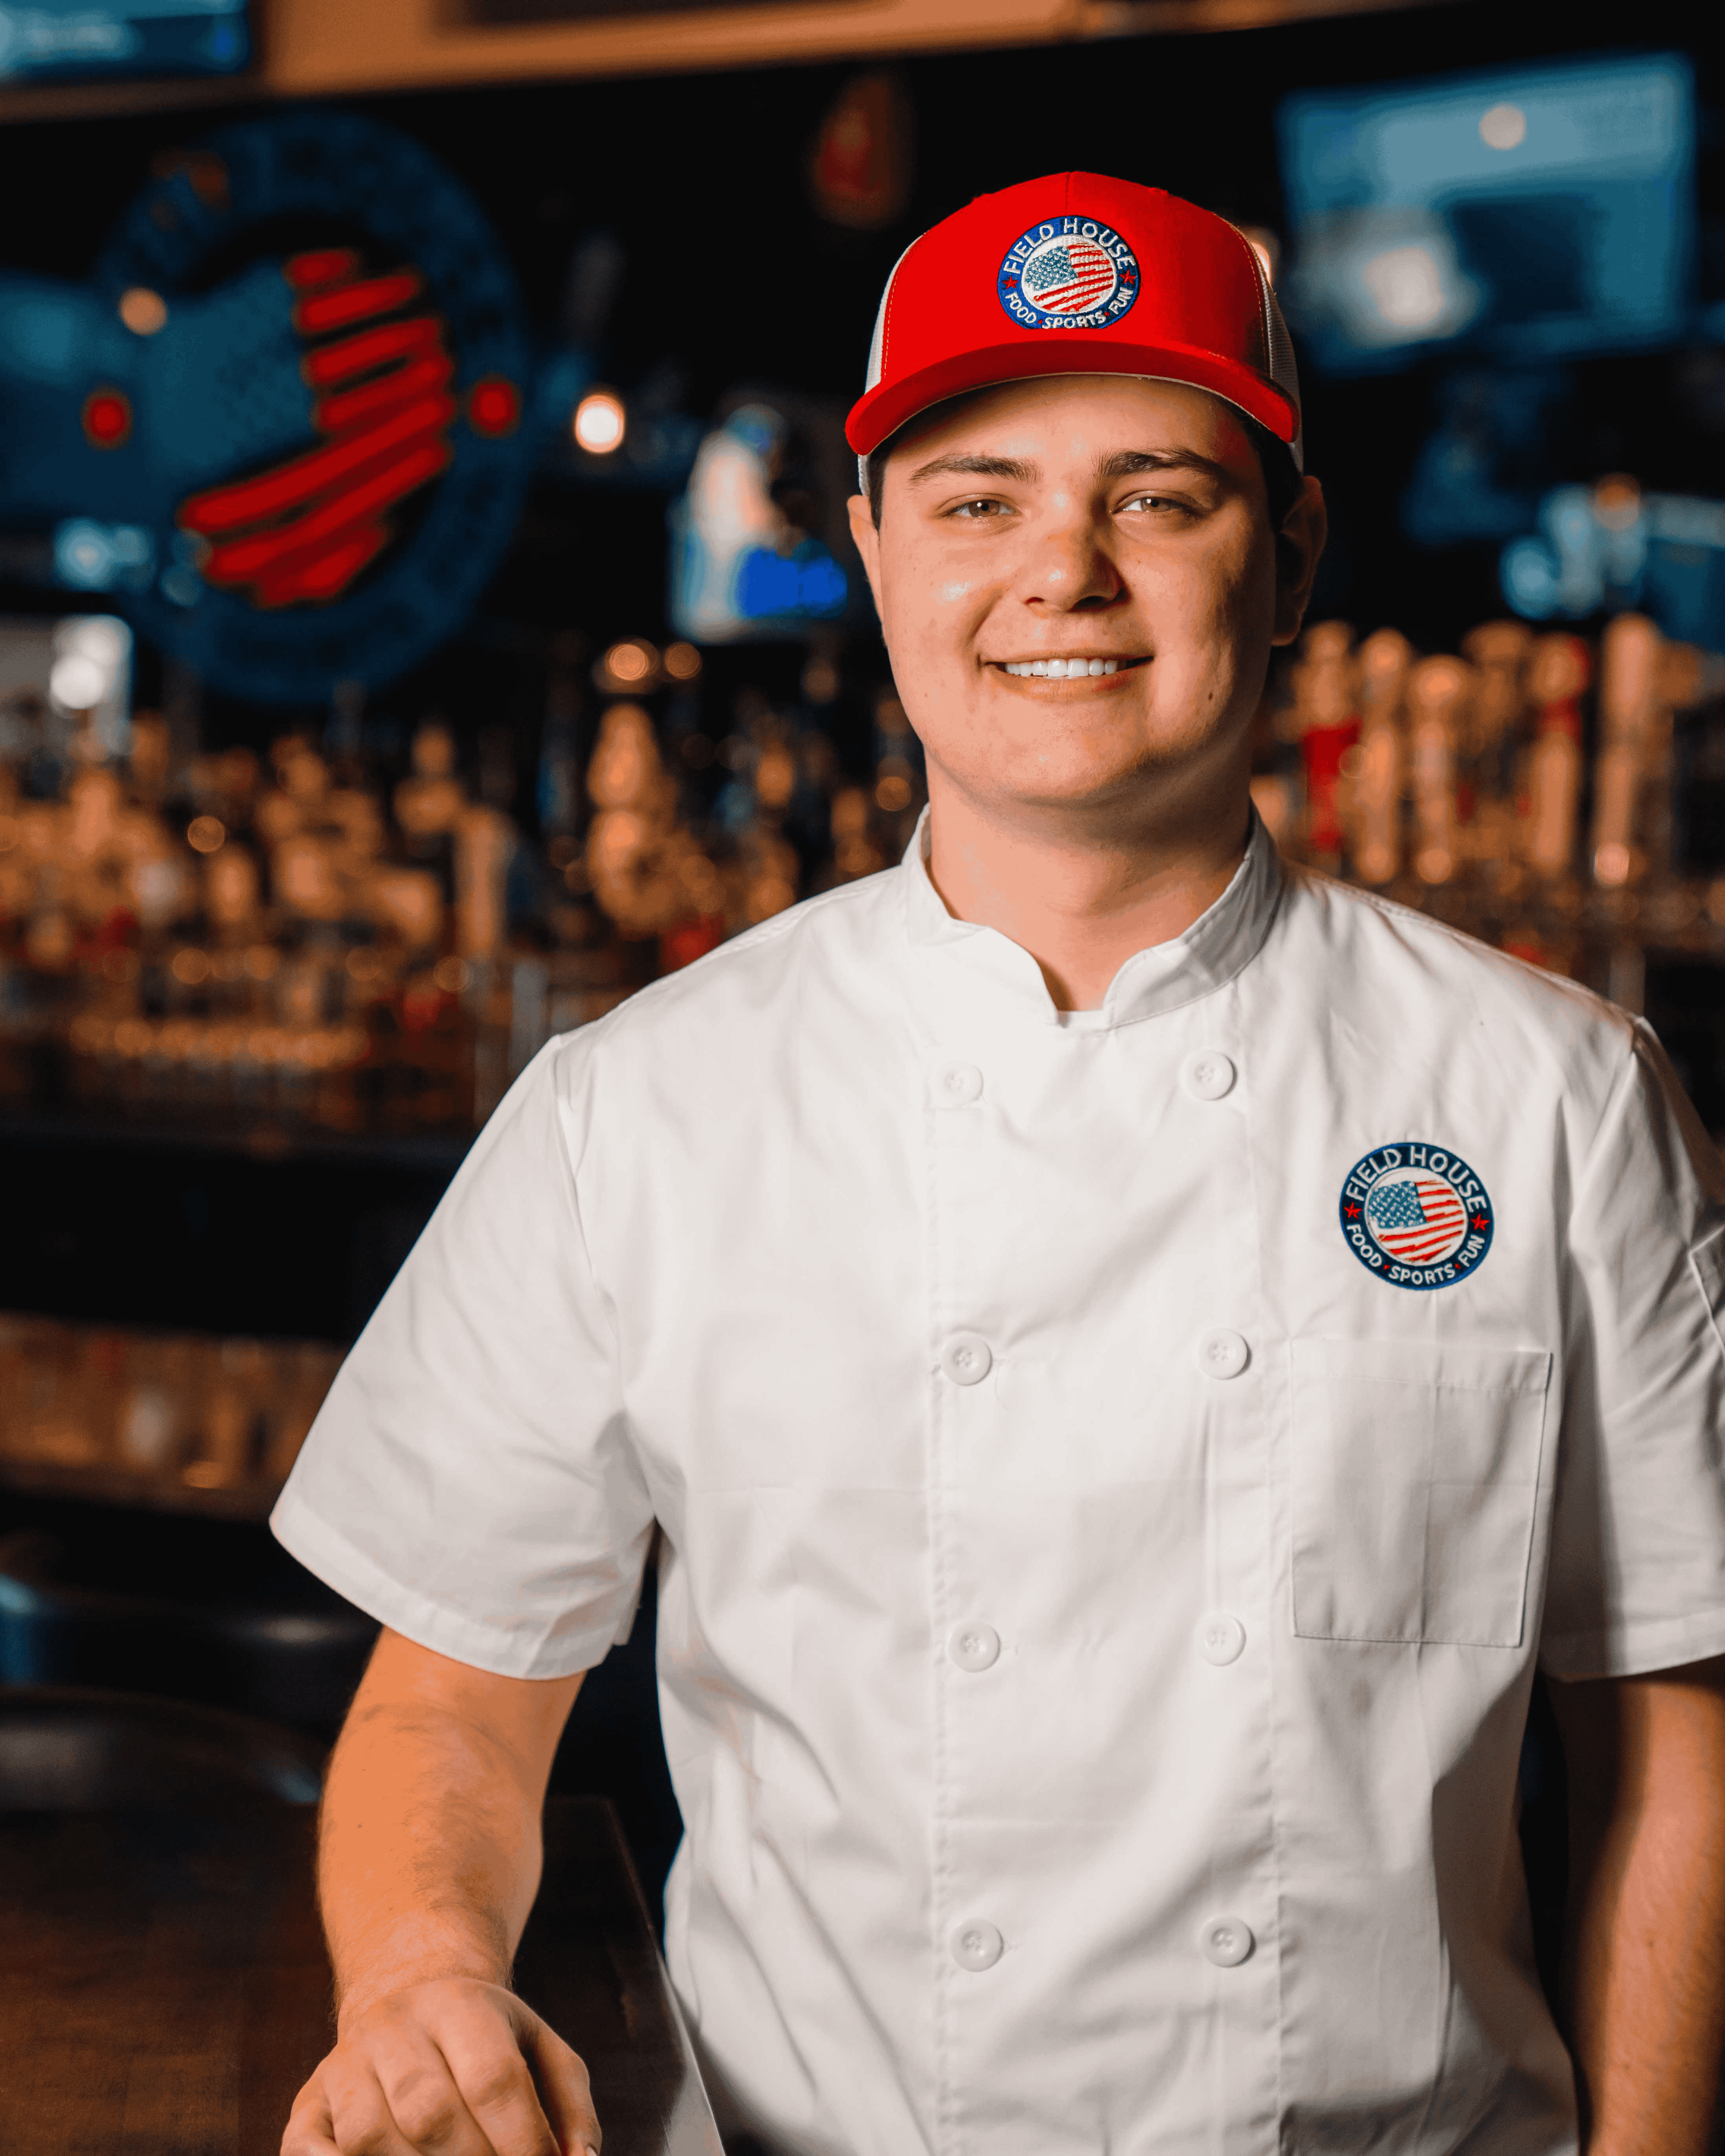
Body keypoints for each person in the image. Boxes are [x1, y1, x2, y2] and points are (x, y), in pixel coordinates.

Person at [274, 174, 1725, 2156]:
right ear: (870, 552)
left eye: (1156, 493)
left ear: (1287, 551)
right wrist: (424, 1978)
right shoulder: (638, 1109)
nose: (1064, 571)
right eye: (975, 501)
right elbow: (447, 1706)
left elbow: (1658, 1746)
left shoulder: (1554, 1095)